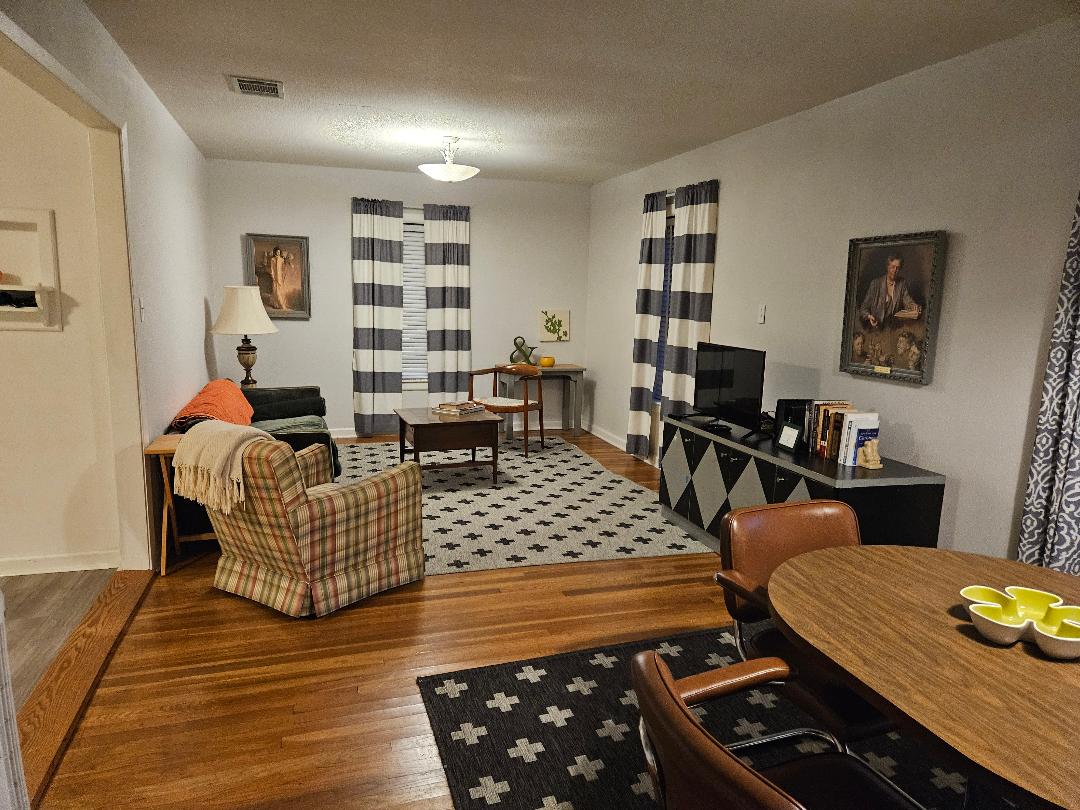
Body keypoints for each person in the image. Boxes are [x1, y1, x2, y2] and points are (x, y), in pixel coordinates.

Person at [857, 253, 922, 330]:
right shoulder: (875, 284)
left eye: (897, 268)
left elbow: (907, 301)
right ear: (887, 267)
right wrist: (869, 316)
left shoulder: (902, 283)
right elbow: (863, 308)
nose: (895, 270)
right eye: (892, 267)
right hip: (876, 326)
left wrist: (915, 306)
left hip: (892, 327)